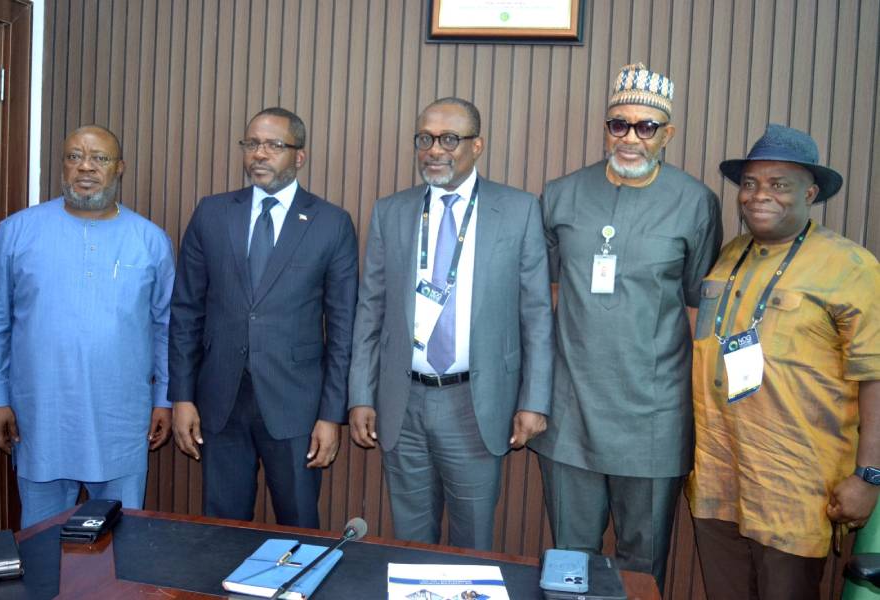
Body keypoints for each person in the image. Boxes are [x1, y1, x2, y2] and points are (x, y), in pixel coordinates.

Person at [529, 63, 723, 589]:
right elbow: (544, 301)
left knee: (642, 567)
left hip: (653, 418)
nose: (631, 138)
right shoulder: (562, 194)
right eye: (619, 124)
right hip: (571, 414)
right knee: (570, 563)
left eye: (646, 127)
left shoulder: (695, 202)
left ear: (668, 134)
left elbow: (695, 311)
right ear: (606, 126)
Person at [348, 97, 554, 551]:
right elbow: (371, 310)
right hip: (402, 401)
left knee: (473, 541)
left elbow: (536, 313)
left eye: (448, 139)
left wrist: (535, 399)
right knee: (410, 539)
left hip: (476, 403)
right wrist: (361, 394)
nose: (434, 150)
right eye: (425, 138)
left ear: (476, 146)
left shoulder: (518, 211)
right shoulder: (391, 211)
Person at [686, 124, 880, 600]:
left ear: (810, 193)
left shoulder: (851, 267)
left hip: (794, 488)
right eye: (750, 184)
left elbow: (876, 377)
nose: (758, 196)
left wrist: (869, 476)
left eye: (778, 184)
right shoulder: (731, 255)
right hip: (718, 476)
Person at [169, 107, 358, 527]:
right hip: (220, 402)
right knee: (222, 527)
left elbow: (344, 329)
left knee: (299, 528)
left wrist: (331, 414)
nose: (260, 154)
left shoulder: (331, 223)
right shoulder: (212, 213)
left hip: (296, 406)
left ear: (299, 157)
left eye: (274, 145)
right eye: (252, 143)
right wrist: (181, 396)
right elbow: (185, 310)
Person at [0, 125, 174, 528]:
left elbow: (167, 327)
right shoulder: (16, 232)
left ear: (119, 168)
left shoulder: (150, 240)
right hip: (41, 416)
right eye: (74, 156)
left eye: (99, 158)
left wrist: (165, 400)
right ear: (62, 166)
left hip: (121, 418)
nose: (85, 167)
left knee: (121, 544)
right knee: (43, 544)